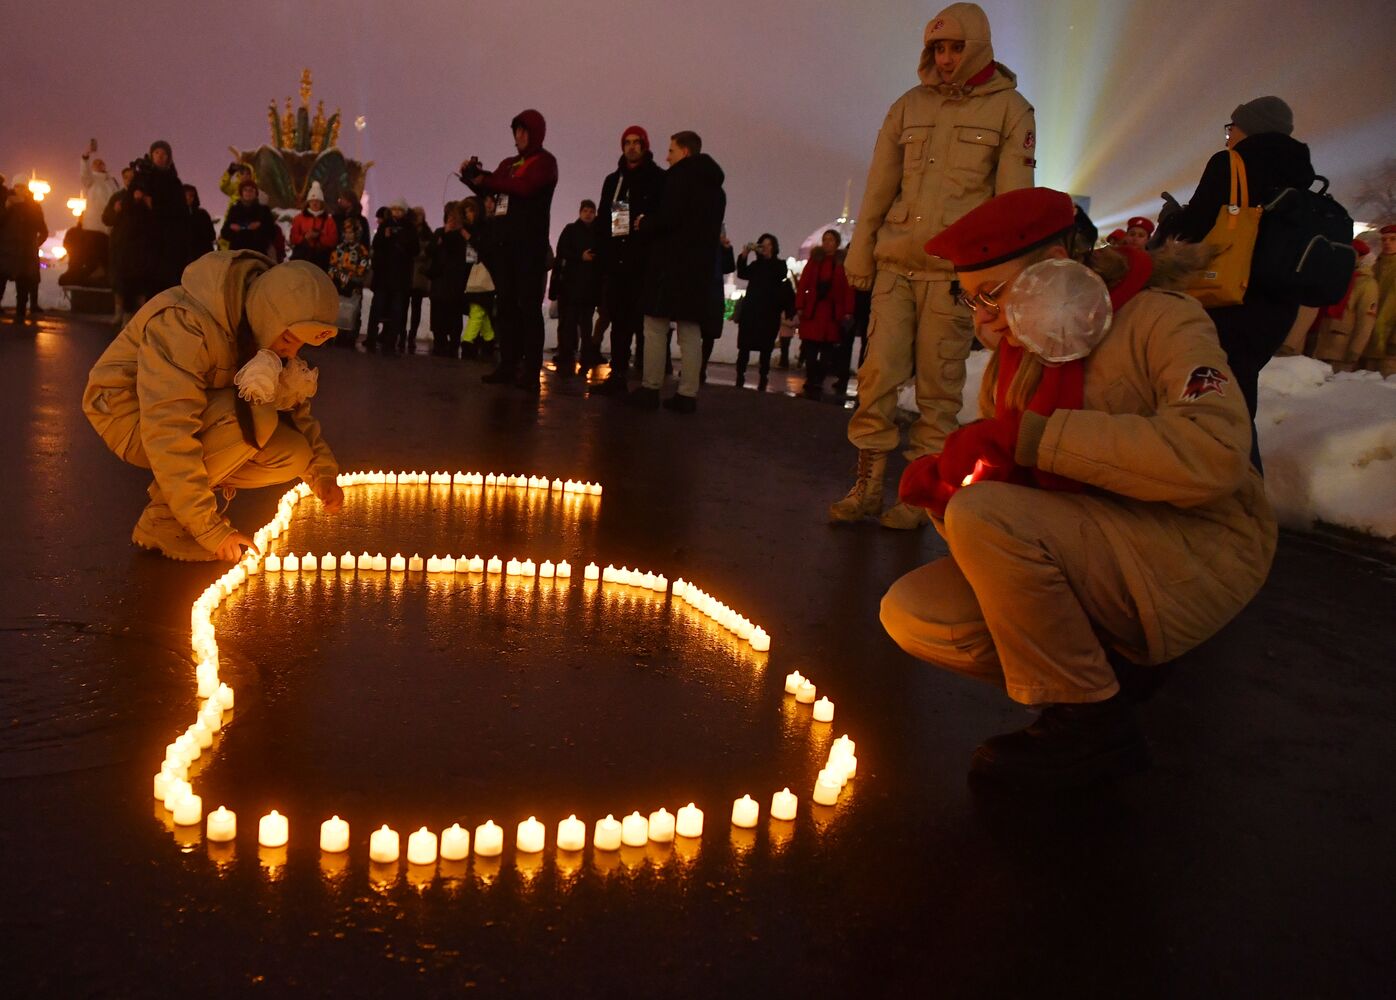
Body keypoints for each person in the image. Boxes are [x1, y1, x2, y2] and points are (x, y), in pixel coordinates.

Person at [881, 187, 1275, 787]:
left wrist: (1034, 440)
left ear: (1061, 263)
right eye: (968, 299)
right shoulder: (1022, 355)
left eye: (994, 292)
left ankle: (1090, 723)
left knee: (989, 515)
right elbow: (1024, 495)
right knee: (913, 613)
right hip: (1097, 544)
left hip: (1198, 545)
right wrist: (952, 489)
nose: (983, 317)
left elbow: (1214, 455)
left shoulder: (1162, 319)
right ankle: (1106, 672)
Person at [832, 3, 1037, 530]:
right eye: (937, 49)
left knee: (939, 388)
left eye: (955, 48)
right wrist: (861, 248)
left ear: (980, 48)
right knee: (876, 376)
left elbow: (1012, 202)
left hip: (954, 278)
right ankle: (867, 486)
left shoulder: (1012, 112)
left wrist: (1003, 280)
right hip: (896, 266)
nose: (945, 60)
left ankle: (919, 494)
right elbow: (880, 182)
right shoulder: (907, 107)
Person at [82, 254, 345, 562]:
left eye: (301, 344)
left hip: (197, 410)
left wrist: (322, 474)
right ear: (270, 315)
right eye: (288, 339)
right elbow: (169, 428)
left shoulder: (263, 327)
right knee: (256, 416)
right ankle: (165, 520)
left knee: (294, 454)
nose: (291, 351)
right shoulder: (186, 324)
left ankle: (185, 504)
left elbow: (293, 407)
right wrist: (209, 529)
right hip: (127, 412)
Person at [1154, 96, 1314, 435]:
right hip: (1275, 308)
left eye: (1232, 127)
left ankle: (1220, 475)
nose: (1228, 136)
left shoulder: (1231, 164)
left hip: (1227, 300)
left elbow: (1194, 227)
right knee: (1239, 397)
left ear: (1250, 128)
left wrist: (1170, 222)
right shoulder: (1301, 177)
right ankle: (1239, 474)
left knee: (1206, 402)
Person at [459, 109, 558, 392]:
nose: (520, 135)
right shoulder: (508, 164)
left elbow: (523, 188)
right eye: (517, 130)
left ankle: (529, 370)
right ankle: (507, 364)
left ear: (537, 133)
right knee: (505, 308)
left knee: (527, 308)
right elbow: (493, 191)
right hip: (504, 246)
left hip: (528, 248)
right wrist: (472, 178)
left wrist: (485, 179)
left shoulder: (545, 163)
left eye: (525, 130)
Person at [631, 130, 726, 413]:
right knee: (690, 330)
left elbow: (669, 218)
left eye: (671, 150)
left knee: (655, 324)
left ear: (685, 152)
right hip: (699, 269)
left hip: (669, 264)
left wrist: (644, 222)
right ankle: (687, 394)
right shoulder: (716, 189)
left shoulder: (679, 178)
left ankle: (650, 387)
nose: (666, 156)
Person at [593, 125, 667, 394]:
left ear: (645, 145)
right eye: (627, 142)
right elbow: (605, 220)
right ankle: (618, 374)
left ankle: (649, 382)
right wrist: (605, 256)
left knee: (646, 324)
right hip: (617, 263)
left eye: (637, 142)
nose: (632, 146)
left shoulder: (658, 179)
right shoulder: (614, 181)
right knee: (619, 320)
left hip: (644, 263)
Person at [796, 230, 856, 400]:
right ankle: (811, 376)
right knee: (810, 348)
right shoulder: (815, 261)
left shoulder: (842, 263)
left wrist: (848, 311)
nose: (827, 243)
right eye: (825, 239)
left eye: (831, 240)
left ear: (837, 243)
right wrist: (800, 305)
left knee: (827, 349)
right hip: (814, 311)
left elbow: (847, 289)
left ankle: (819, 378)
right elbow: (804, 284)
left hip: (831, 314)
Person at [734, 234, 792, 390]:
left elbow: (779, 275)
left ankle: (763, 375)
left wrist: (766, 257)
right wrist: (745, 255)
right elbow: (742, 273)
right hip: (751, 311)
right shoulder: (755, 265)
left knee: (766, 348)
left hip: (768, 313)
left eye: (769, 245)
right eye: (763, 245)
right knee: (745, 346)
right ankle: (740, 374)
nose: (765, 247)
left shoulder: (779, 265)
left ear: (774, 247)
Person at [133, 140, 191, 292]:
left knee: (166, 278)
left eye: (164, 154)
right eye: (157, 153)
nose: (160, 156)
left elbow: (179, 209)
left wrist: (153, 203)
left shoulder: (174, 181)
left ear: (169, 158)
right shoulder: (143, 178)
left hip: (168, 238)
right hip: (146, 235)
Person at [552, 199, 601, 375]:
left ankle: (584, 353)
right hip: (572, 284)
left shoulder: (597, 231)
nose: (588, 214)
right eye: (586, 211)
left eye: (591, 211)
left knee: (585, 321)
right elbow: (562, 250)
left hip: (588, 284)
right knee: (570, 321)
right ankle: (567, 352)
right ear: (580, 212)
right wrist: (580, 257)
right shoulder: (571, 230)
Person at [104, 177, 158, 328]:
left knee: (140, 285)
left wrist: (150, 207)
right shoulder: (121, 202)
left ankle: (137, 318)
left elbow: (154, 224)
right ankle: (123, 315)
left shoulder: (147, 204)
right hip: (124, 250)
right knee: (124, 284)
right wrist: (116, 211)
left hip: (142, 250)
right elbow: (107, 219)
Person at [369, 199, 419, 355]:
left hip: (400, 277)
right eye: (394, 209)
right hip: (384, 275)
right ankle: (372, 337)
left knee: (397, 309)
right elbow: (376, 246)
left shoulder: (410, 228)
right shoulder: (385, 225)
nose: (397, 212)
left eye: (399, 210)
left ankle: (391, 339)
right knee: (377, 307)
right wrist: (385, 236)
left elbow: (414, 249)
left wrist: (400, 239)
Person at [0, 185, 48, 326]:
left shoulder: (33, 206)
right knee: (1, 283)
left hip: (25, 255)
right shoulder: (5, 202)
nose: (20, 190)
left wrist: (34, 245)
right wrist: (6, 207)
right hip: (6, 253)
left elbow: (43, 231)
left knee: (23, 289)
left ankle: (21, 315)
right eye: (17, 186)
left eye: (23, 186)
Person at [428, 202, 471, 358]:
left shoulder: (464, 235)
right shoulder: (440, 232)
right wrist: (443, 236)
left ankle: (453, 343)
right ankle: (439, 342)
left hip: (456, 280)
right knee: (438, 312)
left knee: (453, 313)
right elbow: (430, 251)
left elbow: (468, 256)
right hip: (440, 278)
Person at [327, 205, 371, 348]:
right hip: (339, 284)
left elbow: (363, 266)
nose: (348, 235)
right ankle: (335, 335)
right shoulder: (339, 248)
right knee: (337, 310)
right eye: (346, 233)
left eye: (351, 233)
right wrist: (334, 275)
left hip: (353, 285)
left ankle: (350, 337)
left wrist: (354, 278)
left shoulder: (361, 250)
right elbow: (332, 263)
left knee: (353, 311)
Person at [460, 196, 497, 360]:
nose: (468, 214)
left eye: (471, 210)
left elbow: (485, 248)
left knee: (477, 310)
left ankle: (468, 341)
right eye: (466, 211)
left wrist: (469, 238)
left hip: (484, 274)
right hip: (475, 275)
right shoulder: (471, 228)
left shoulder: (484, 227)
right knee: (481, 311)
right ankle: (489, 339)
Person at [700, 232, 737, 383]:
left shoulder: (720, 248)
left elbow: (728, 268)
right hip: (704, 292)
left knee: (708, 334)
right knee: (695, 332)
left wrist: (727, 249)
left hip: (713, 294)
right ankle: (695, 366)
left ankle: (701, 367)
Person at [80, 139, 121, 268]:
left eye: (101, 163)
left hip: (109, 225)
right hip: (94, 225)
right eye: (96, 163)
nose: (99, 164)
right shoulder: (91, 179)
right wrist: (86, 155)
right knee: (94, 254)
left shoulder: (112, 181)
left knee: (107, 256)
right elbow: (84, 172)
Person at [220, 179, 279, 257]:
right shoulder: (234, 210)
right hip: (237, 254)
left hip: (259, 254)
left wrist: (260, 227)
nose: (248, 193)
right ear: (241, 193)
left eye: (251, 190)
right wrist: (233, 229)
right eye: (245, 190)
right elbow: (224, 233)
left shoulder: (264, 210)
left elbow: (272, 233)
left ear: (256, 193)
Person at [289, 181, 339, 272]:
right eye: (312, 201)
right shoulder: (299, 219)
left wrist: (319, 236)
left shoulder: (329, 221)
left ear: (321, 203)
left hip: (321, 260)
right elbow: (293, 238)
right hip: (303, 258)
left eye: (317, 201)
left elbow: (333, 240)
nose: (315, 203)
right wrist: (305, 237)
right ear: (308, 202)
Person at [1369, 224, 1396, 375]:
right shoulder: (1376, 266)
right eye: (1384, 240)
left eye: (1393, 239)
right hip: (1370, 336)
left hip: (1390, 341)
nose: (1387, 243)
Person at [407, 206, 434, 352]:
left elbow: (427, 252)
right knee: (405, 306)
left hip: (418, 276)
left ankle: (411, 335)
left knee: (415, 307)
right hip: (410, 273)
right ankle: (404, 333)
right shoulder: (412, 232)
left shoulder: (427, 234)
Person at [185, 185, 216, 258]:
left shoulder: (203, 214)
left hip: (202, 255)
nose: (188, 198)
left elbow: (211, 235)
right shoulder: (175, 216)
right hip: (186, 256)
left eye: (191, 196)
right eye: (185, 195)